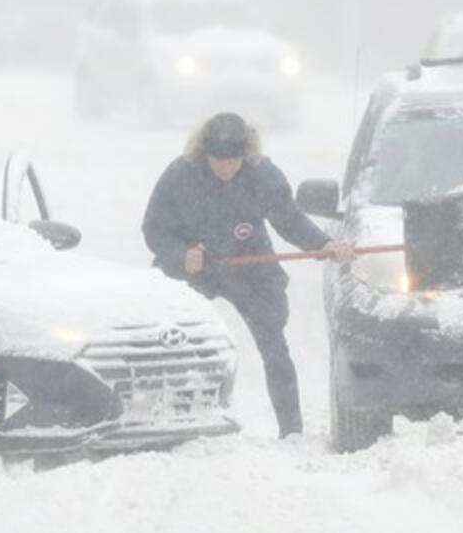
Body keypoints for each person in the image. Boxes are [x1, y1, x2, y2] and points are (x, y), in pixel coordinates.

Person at [142, 112, 355, 439]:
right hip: (195, 267)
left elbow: (291, 220)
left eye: (233, 161)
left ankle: (292, 429)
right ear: (204, 154)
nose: (225, 168)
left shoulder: (263, 175)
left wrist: (323, 243)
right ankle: (164, 417)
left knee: (274, 345)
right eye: (218, 161)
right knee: (172, 339)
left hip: (250, 267)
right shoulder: (179, 175)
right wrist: (181, 256)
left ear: (246, 155)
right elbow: (154, 230)